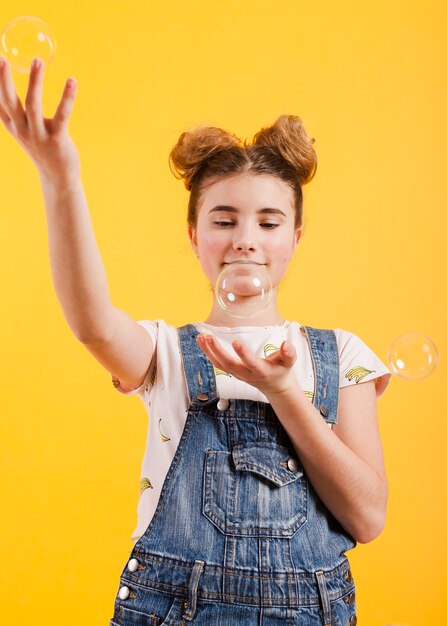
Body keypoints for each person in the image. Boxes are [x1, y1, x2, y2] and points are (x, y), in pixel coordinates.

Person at [0, 56, 392, 625]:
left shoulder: (344, 354)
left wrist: (285, 392)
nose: (246, 240)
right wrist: (61, 181)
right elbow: (91, 322)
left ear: (296, 237)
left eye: (269, 221)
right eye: (224, 219)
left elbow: (368, 518)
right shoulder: (163, 353)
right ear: (194, 234)